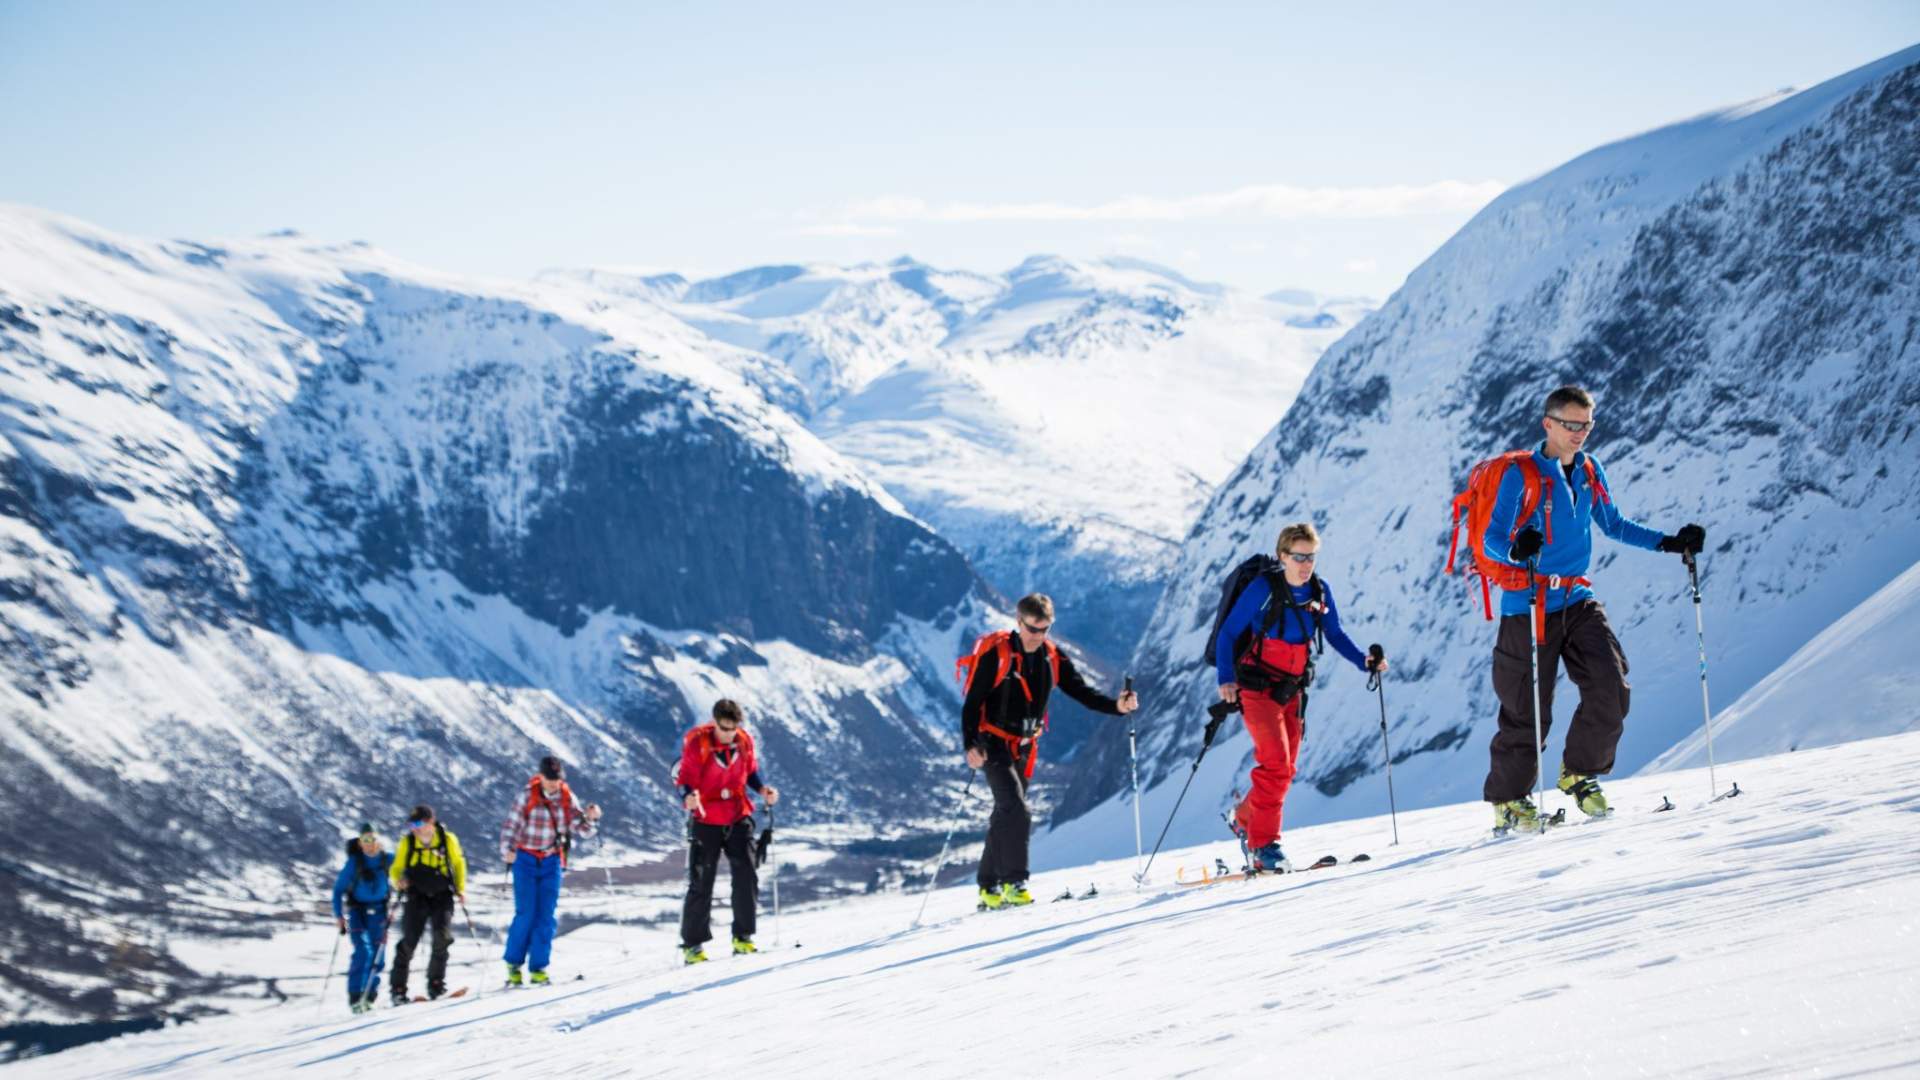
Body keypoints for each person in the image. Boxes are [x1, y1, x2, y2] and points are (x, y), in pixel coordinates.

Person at [1479, 385, 1705, 830]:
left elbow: (1613, 523)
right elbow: (1492, 539)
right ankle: (1509, 799)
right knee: (1528, 709)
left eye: (1587, 424)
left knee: (1611, 685)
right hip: (1529, 603)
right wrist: (1516, 550)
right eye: (1571, 424)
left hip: (1578, 598)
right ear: (1548, 424)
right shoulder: (1521, 475)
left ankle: (1580, 772)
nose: (1580, 433)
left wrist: (1669, 543)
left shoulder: (1589, 470)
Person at [1214, 523, 1380, 872]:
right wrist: (1226, 679)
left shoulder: (1319, 591)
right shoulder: (1264, 589)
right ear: (1282, 556)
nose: (1306, 564)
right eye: (1299, 556)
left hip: (1292, 689)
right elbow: (1228, 633)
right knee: (1275, 763)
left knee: (1286, 769)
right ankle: (1264, 846)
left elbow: (1334, 633)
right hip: (1256, 687)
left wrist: (1363, 661)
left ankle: (1244, 818)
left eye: (1311, 556)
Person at [961, 593, 1138, 910]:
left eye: (1045, 629)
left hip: (1026, 746)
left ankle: (988, 889)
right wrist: (970, 745)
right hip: (993, 743)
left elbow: (1082, 692)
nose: (1038, 636)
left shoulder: (1052, 657)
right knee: (1016, 809)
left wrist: (1117, 707)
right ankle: (1015, 883)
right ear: (1019, 622)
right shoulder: (997, 654)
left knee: (1006, 812)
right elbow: (973, 703)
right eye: (1033, 629)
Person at [676, 699, 780, 965]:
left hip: (737, 813)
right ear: (715, 723)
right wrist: (689, 796)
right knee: (702, 880)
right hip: (706, 817)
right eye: (724, 728)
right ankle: (693, 944)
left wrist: (762, 790)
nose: (728, 733)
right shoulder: (698, 743)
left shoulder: (743, 741)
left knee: (747, 873)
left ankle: (743, 937)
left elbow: (751, 773)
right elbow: (685, 778)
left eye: (733, 728)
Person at [499, 755, 600, 987]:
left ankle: (539, 967)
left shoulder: (566, 798)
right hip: (525, 858)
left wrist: (591, 818)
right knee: (525, 912)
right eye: (550, 779)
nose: (553, 783)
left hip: (552, 859)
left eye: (557, 779)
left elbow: (582, 829)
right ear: (541, 777)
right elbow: (511, 826)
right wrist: (507, 850)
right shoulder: (526, 797)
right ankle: (513, 965)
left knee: (546, 915)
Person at [387, 804, 467, 1004]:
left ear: (430, 822)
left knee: (442, 937)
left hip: (442, 894)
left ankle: (436, 984)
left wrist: (460, 888)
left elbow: (458, 863)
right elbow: (396, 868)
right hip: (416, 895)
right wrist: (399, 880)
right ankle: (398, 989)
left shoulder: (447, 840)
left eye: (418, 823)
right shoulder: (408, 843)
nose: (414, 828)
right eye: (412, 824)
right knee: (409, 940)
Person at [330, 823, 392, 1013]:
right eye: (365, 840)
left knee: (378, 955)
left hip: (379, 912)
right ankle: (356, 997)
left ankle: (370, 996)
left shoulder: (387, 859)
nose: (369, 844)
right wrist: (339, 916)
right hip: (358, 912)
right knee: (363, 952)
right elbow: (338, 890)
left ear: (378, 840)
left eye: (372, 839)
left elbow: (403, 871)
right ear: (360, 842)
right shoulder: (354, 862)